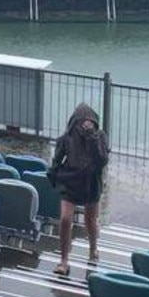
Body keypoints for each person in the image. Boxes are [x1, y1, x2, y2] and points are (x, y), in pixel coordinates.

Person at [47, 102, 108, 276]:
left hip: (90, 183)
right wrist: (54, 176)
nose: (84, 125)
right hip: (70, 182)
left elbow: (102, 160)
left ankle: (93, 249)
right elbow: (57, 160)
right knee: (65, 219)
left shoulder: (100, 136)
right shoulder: (67, 138)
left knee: (90, 220)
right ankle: (64, 260)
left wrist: (91, 137)